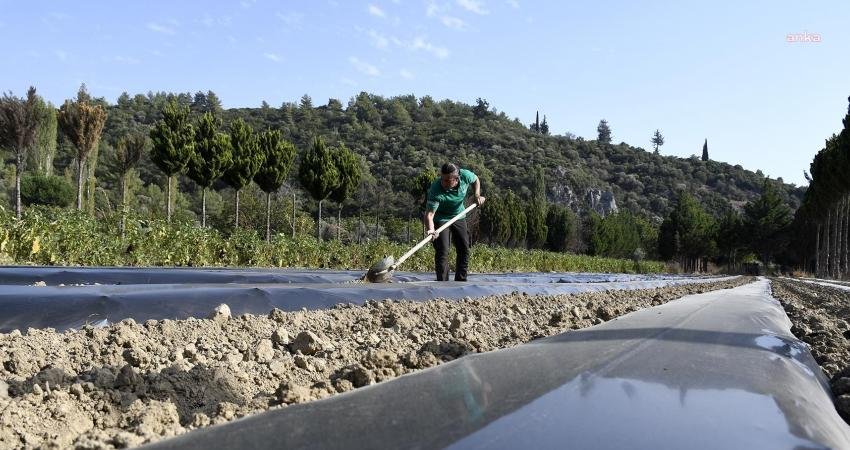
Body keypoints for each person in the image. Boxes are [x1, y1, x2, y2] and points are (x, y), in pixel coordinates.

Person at [425, 163, 485, 281]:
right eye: (442, 179)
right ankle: (442, 282)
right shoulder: (436, 189)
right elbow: (429, 215)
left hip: (459, 215)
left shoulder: (465, 176)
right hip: (440, 218)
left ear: (457, 179)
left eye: (448, 180)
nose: (444, 182)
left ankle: (461, 280)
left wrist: (476, 194)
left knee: (464, 248)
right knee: (443, 250)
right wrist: (431, 230)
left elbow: (476, 179)